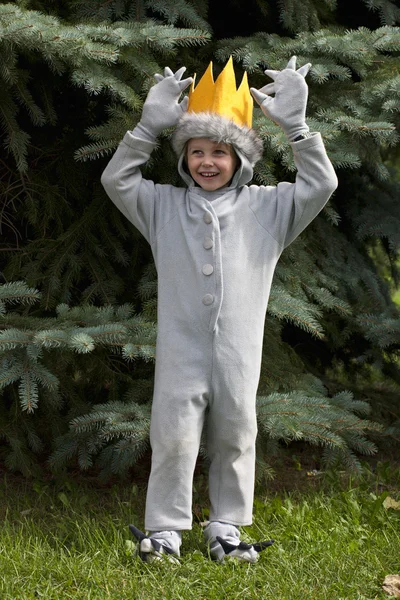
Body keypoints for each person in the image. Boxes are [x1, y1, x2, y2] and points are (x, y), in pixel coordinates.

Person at [101, 56, 338, 564]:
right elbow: (117, 181)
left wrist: (297, 128)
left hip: (237, 353)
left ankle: (226, 527)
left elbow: (320, 186)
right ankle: (164, 530)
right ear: (184, 158)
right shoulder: (162, 207)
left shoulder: (270, 208)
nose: (207, 162)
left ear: (241, 158)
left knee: (235, 433)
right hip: (180, 351)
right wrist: (146, 128)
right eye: (197, 151)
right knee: (173, 436)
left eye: (220, 153)